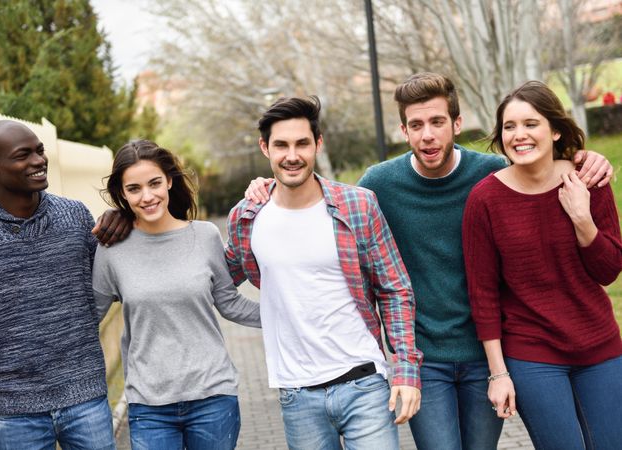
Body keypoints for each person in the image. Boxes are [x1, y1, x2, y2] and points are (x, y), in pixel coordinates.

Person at [244, 73, 613, 450]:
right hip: (425, 359)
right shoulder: (379, 184)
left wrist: (585, 159)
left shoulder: (491, 176)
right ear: (404, 130)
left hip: (486, 352)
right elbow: (322, 199)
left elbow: (541, 165)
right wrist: (269, 185)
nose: (427, 135)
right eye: (416, 125)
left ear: (456, 123)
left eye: (437, 122)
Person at [226, 96, 422, 450]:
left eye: (302, 143)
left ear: (317, 143)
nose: (292, 155)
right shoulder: (247, 217)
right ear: (264, 148)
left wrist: (406, 371)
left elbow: (395, 290)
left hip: (364, 384)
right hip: (297, 394)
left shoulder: (358, 205)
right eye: (281, 145)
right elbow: (217, 280)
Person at [463, 80, 622, 450]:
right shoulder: (485, 199)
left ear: (554, 130)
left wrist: (583, 220)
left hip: (599, 347)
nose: (519, 135)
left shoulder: (588, 179)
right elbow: (483, 293)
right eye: (509, 126)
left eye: (530, 124)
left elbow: (609, 270)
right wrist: (498, 373)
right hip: (533, 354)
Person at [0, 120, 115, 450]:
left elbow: (118, 281)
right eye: (23, 155)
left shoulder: (75, 217)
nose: (38, 160)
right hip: (16, 411)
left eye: (40, 151)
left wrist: (124, 216)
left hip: (87, 400)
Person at [92, 140, 261, 450]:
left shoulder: (205, 235)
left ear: (169, 180)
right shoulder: (111, 249)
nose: (147, 196)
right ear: (123, 194)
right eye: (134, 189)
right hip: (149, 404)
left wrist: (289, 315)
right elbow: (88, 318)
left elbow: (229, 303)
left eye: (155, 183)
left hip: (213, 396)